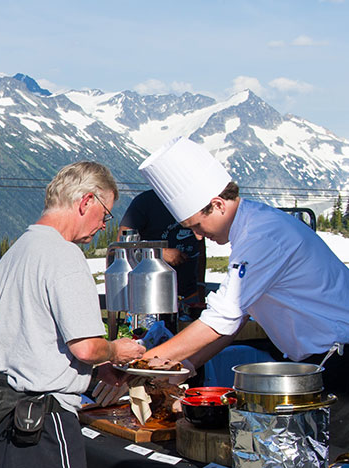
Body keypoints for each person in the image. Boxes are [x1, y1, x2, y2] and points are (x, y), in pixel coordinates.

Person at [136, 136, 349, 449]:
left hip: (341, 365)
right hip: (320, 361)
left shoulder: (262, 237)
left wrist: (145, 362)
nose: (196, 235)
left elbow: (221, 319)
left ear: (218, 205)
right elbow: (232, 324)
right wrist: (185, 368)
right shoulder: (253, 230)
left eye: (196, 225)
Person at [0, 161, 146, 468]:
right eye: (105, 215)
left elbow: (30, 340)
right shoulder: (64, 255)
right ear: (86, 201)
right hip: (41, 418)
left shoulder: (16, 253)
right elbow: (85, 347)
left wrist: (97, 375)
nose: (102, 226)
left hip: (0, 407)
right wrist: (116, 350)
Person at [119, 190, 206, 301]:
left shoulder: (195, 200)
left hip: (189, 292)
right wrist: (159, 253)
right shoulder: (145, 201)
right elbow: (122, 243)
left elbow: (200, 246)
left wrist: (201, 285)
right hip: (152, 291)